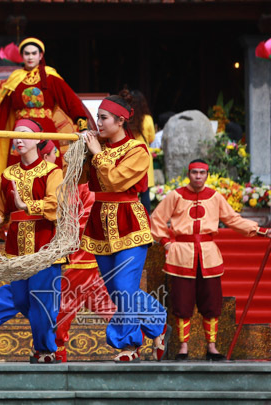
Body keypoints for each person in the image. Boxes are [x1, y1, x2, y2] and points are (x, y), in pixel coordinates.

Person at [0, 120, 64, 363]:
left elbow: (57, 204)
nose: (18, 139)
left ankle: (45, 350)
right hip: (17, 247)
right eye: (15, 134)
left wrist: (26, 205)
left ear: (38, 138)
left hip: (45, 245)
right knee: (20, 297)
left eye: (24, 134)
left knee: (42, 297)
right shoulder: (8, 174)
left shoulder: (53, 172)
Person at [150, 159, 271, 361]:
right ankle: (183, 347)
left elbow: (233, 219)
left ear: (207, 175)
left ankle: (212, 347)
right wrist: (166, 242)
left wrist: (260, 230)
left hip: (208, 255)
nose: (198, 176)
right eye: (194, 172)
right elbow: (157, 219)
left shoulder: (215, 197)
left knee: (211, 303)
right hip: (182, 255)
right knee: (182, 303)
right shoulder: (175, 196)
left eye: (202, 172)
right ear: (188, 174)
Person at [80, 95, 167, 363]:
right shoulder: (98, 147)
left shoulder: (137, 150)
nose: (98, 122)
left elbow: (116, 181)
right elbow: (80, 179)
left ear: (120, 121)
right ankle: (158, 322)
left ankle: (128, 344)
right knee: (118, 291)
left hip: (129, 222)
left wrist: (97, 153)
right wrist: (80, 153)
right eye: (97, 117)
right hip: (100, 224)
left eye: (103, 118)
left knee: (124, 287)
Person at [38, 140, 116, 362]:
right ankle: (149, 329)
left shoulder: (85, 186)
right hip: (75, 252)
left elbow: (80, 221)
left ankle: (56, 348)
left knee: (66, 302)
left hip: (78, 253)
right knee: (99, 301)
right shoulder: (69, 183)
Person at [0, 38, 88, 189]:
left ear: (40, 55)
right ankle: (17, 202)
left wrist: (82, 126)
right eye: (27, 54)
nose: (30, 57)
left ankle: (51, 201)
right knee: (17, 171)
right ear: (22, 56)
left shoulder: (50, 77)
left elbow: (70, 101)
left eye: (34, 53)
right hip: (20, 133)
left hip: (46, 131)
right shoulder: (15, 79)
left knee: (49, 171)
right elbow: (3, 109)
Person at [123, 89, 155, 211]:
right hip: (143, 154)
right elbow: (151, 138)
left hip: (127, 153)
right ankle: (145, 218)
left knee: (128, 190)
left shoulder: (124, 119)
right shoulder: (147, 119)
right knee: (145, 191)